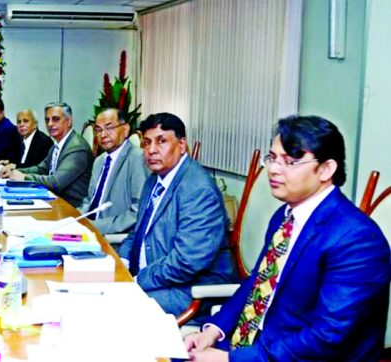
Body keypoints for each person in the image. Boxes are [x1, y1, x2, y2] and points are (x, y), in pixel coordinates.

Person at [185, 115, 390, 362]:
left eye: (290, 161)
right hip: (255, 347)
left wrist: (230, 360)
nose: (273, 169)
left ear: (326, 169)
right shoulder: (284, 216)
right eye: (272, 158)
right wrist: (212, 331)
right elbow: (257, 284)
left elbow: (327, 337)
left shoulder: (357, 240)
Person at [117, 113, 235, 315]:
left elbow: (186, 262)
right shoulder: (154, 179)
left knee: (113, 307)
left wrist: (137, 280)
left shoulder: (198, 188)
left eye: (161, 141)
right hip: (157, 280)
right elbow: (138, 232)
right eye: (147, 143)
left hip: (190, 290)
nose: (152, 150)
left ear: (181, 145)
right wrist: (123, 262)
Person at [0, 102, 93, 207]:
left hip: (71, 207)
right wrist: (14, 171)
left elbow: (55, 182)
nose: (50, 124)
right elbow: (41, 169)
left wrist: (24, 177)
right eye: (47, 120)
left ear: (69, 121)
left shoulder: (76, 147)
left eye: (55, 119)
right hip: (54, 200)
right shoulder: (57, 145)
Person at [78, 108, 148, 234]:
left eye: (109, 128)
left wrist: (94, 227)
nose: (103, 135)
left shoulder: (137, 158)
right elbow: (89, 199)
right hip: (88, 230)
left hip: (112, 236)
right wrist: (75, 219)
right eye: (98, 130)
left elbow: (138, 211)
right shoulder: (100, 160)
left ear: (125, 129)